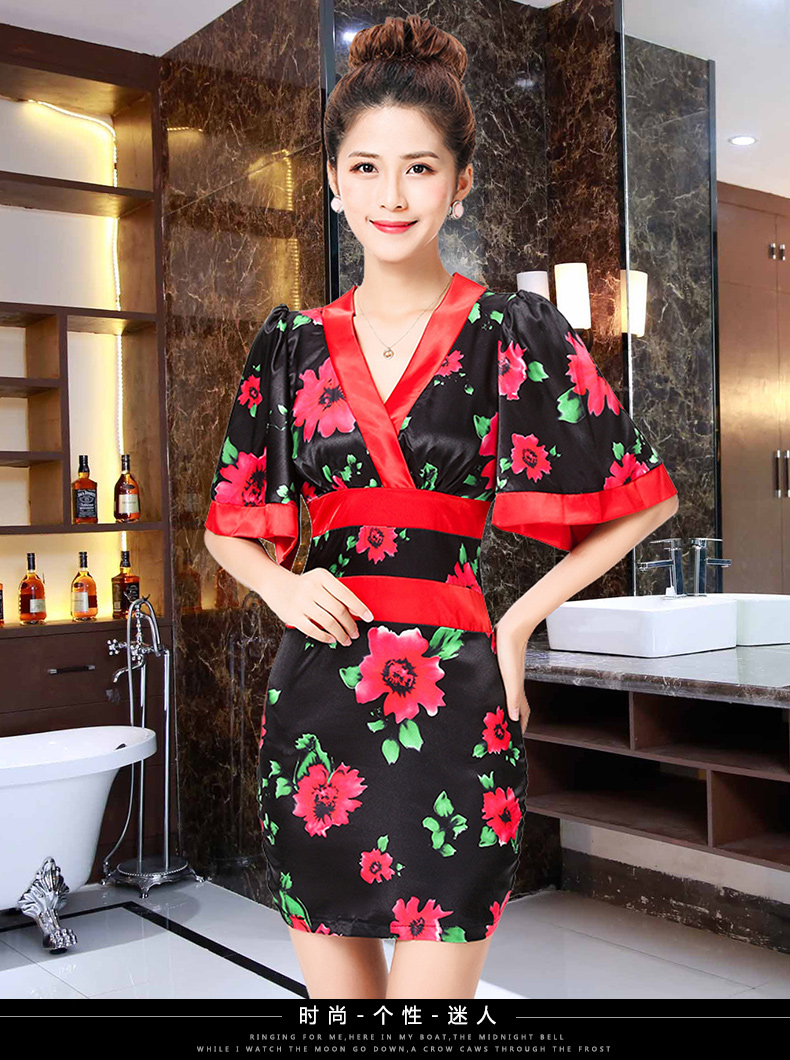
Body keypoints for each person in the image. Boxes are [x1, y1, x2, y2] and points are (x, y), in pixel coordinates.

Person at [203, 13, 679, 1001]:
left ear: (460, 183)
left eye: (419, 168)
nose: (391, 195)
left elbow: (644, 497)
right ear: (331, 181)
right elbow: (229, 521)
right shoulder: (288, 343)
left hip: (456, 695)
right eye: (365, 168)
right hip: (317, 705)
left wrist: (515, 626)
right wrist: (280, 590)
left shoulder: (510, 329)